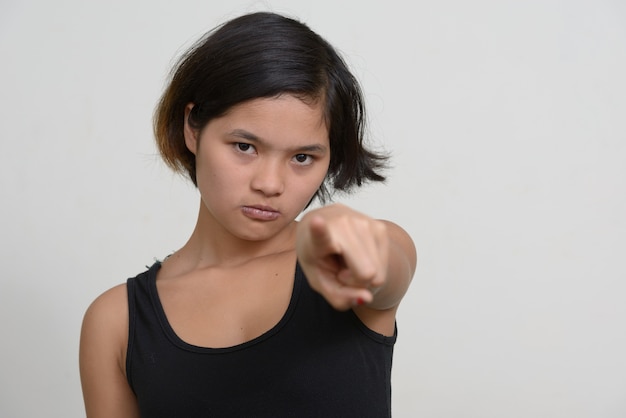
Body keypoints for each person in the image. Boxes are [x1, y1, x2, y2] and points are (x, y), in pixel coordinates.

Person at [79, 11, 416, 418]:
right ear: (192, 127)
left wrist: (362, 250)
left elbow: (386, 264)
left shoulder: (349, 261)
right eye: (244, 147)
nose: (270, 183)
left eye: (303, 157)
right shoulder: (117, 323)